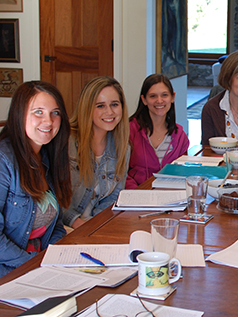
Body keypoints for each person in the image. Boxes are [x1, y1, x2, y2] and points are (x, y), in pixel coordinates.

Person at [0, 81, 71, 277]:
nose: (48, 121)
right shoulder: (3, 160)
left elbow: (55, 225)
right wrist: (35, 265)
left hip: (40, 266)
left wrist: (54, 258)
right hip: (10, 271)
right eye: (38, 112)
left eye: (55, 113)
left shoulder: (48, 157)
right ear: (19, 113)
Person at [63, 76, 130, 229]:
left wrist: (97, 224)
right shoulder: (66, 143)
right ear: (87, 107)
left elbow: (115, 196)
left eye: (114, 104)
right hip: (65, 225)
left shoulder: (123, 148)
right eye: (100, 106)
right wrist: (79, 224)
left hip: (97, 223)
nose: (109, 112)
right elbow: (53, 197)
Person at [126, 74, 189, 189]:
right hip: (136, 196)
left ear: (172, 97)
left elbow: (182, 172)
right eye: (153, 96)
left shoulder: (180, 135)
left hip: (169, 196)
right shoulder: (130, 130)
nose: (159, 101)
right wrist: (138, 193)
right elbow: (120, 173)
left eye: (164, 95)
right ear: (144, 100)